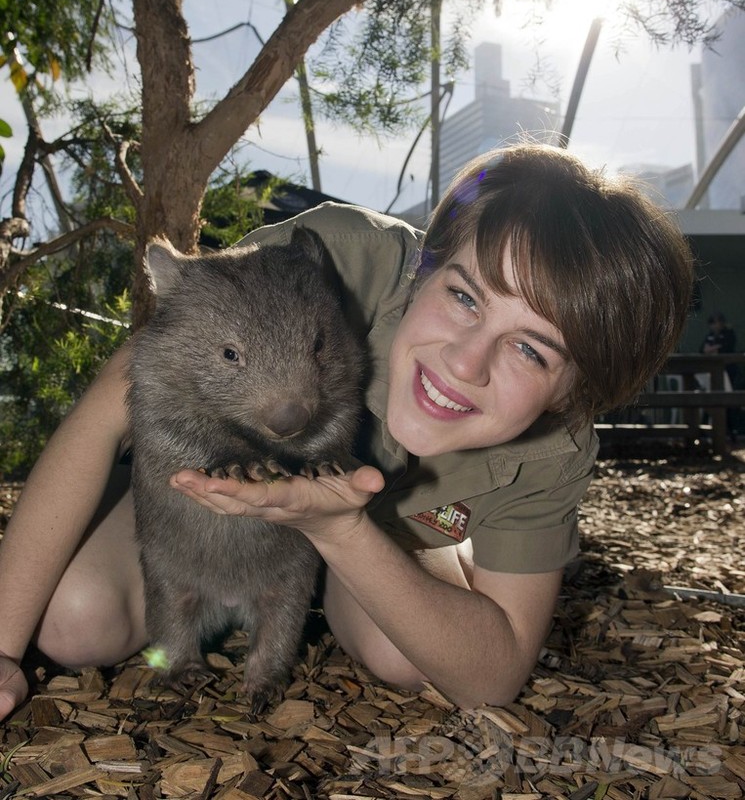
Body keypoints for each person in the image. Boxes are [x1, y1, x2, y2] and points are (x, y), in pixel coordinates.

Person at [0, 145, 693, 717]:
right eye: (462, 297)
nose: (464, 362)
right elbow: (100, 419)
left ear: (577, 393)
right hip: (204, 503)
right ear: (428, 265)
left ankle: (352, 586)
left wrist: (341, 530)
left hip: (389, 533)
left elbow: (489, 678)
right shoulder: (333, 259)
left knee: (408, 656)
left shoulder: (553, 452)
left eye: (531, 349)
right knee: (73, 621)